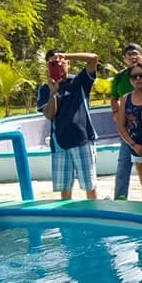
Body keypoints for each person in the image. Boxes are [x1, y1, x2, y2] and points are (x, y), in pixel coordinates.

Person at [37, 49, 100, 200]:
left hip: (83, 140)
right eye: (53, 63)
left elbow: (94, 58)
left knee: (90, 186)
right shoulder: (45, 89)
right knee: (65, 190)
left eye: (61, 62)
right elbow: (49, 114)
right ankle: (68, 222)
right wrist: (53, 93)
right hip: (60, 143)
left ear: (68, 63)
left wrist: (67, 55)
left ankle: (94, 217)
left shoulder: (79, 81)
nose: (58, 65)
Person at [110, 43, 142, 200]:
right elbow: (114, 98)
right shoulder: (119, 78)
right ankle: (120, 200)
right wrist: (116, 113)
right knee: (123, 167)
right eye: (129, 55)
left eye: (135, 53)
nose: (132, 57)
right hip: (129, 133)